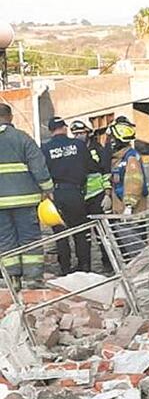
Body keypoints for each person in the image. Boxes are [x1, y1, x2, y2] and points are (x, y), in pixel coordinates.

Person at [0, 103, 54, 288]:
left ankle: (12, 279)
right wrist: (48, 189)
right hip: (26, 200)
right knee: (29, 238)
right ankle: (32, 279)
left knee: (5, 239)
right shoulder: (22, 138)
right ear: (11, 117)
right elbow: (38, 166)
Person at [41, 117, 94, 275]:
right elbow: (89, 166)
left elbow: (42, 171)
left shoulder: (45, 148)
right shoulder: (78, 145)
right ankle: (84, 266)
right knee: (80, 231)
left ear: (51, 130)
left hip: (56, 194)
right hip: (75, 192)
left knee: (60, 233)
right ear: (64, 128)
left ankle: (65, 268)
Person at [70, 120, 114, 273]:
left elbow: (105, 172)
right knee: (83, 235)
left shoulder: (97, 149)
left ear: (88, 132)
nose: (78, 136)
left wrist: (107, 194)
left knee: (103, 233)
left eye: (81, 133)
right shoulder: (73, 150)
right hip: (81, 197)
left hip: (97, 195)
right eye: (75, 134)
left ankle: (109, 262)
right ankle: (84, 265)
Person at [108, 118, 148, 260]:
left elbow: (134, 182)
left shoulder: (130, 158)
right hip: (121, 208)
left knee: (135, 247)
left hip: (132, 211)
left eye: (112, 138)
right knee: (126, 246)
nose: (110, 141)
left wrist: (129, 206)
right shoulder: (119, 158)